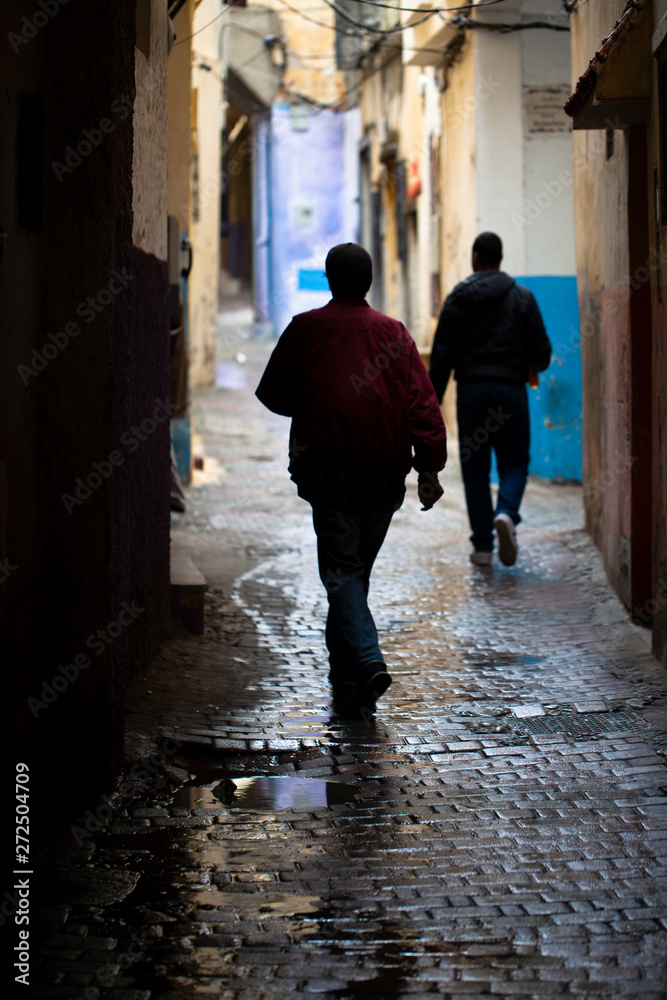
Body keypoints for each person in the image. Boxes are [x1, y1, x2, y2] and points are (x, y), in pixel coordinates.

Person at [256, 243, 447, 715]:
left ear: (327, 278)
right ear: (370, 280)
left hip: (328, 469)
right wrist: (429, 467)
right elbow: (423, 405)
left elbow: (273, 393)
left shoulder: (307, 328)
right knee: (351, 575)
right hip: (383, 475)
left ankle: (364, 663)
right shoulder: (395, 334)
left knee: (342, 574)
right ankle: (343, 676)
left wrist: (315, 404)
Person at [429, 232, 551, 567]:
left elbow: (441, 358)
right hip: (510, 392)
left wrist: (429, 406)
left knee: (475, 469)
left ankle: (482, 546)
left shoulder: (456, 300)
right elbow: (542, 353)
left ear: (475, 257)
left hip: (471, 394)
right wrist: (526, 363)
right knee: (515, 463)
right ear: (500, 258)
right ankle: (507, 513)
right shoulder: (522, 297)